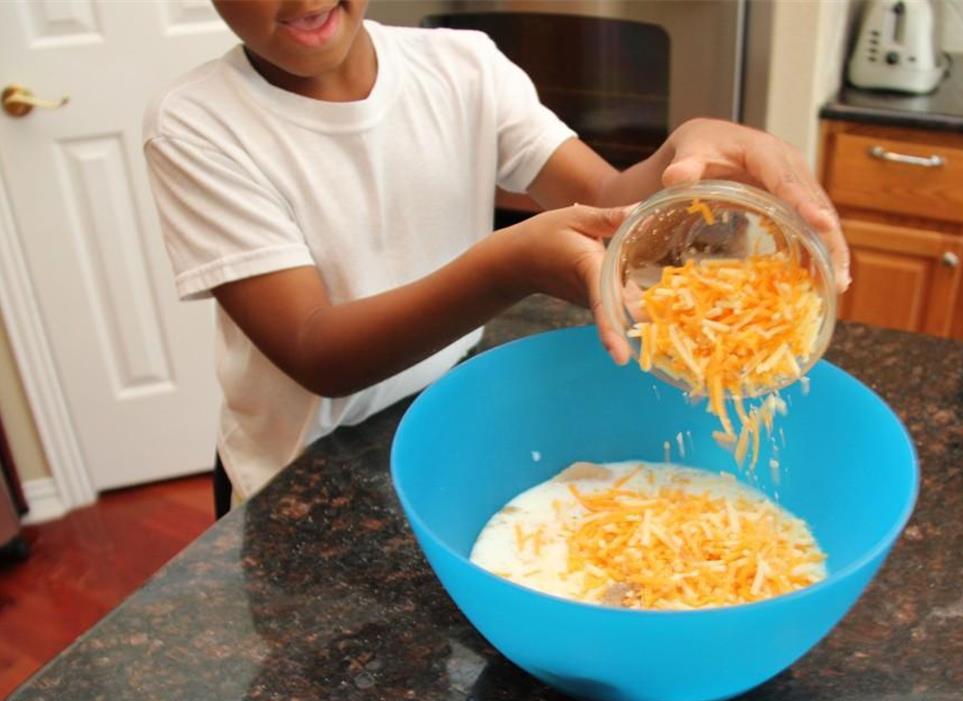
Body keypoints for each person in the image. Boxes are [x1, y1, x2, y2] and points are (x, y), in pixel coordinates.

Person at [143, 0, 851, 518]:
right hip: (298, 482)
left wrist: (682, 150)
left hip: (445, 423)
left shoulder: (462, 67)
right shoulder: (198, 126)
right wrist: (505, 266)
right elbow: (314, 349)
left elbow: (607, 198)